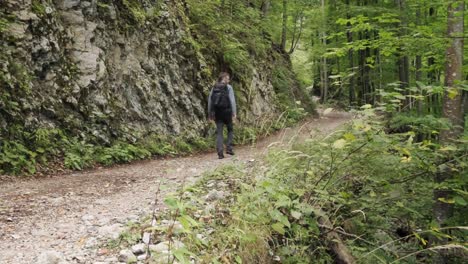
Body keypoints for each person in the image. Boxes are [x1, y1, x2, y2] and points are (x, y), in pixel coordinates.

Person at [208, 72, 237, 159]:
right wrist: (234, 113)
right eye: (227, 78)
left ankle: (220, 153)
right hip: (227, 112)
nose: (228, 80)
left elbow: (210, 101)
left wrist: (210, 114)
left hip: (218, 113)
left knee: (219, 132)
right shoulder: (229, 87)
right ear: (223, 78)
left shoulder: (214, 87)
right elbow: (232, 101)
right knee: (230, 130)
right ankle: (229, 148)